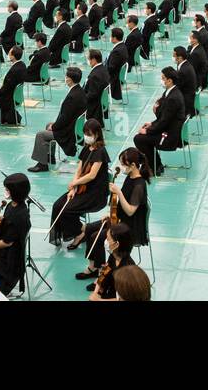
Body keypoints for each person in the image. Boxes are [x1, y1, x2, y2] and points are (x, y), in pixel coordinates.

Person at [78, 147, 150, 279]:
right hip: (120, 219)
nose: (121, 167)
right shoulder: (130, 177)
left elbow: (130, 211)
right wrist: (111, 213)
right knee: (89, 229)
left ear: (133, 165)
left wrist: (119, 193)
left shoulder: (139, 185)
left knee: (96, 237)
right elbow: (121, 204)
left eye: (123, 164)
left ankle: (101, 271)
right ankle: (93, 267)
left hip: (130, 227)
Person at [49, 118, 110, 245]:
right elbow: (79, 170)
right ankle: (82, 230)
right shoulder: (86, 148)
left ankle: (80, 233)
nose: (86, 137)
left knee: (67, 210)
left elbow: (91, 175)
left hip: (95, 193)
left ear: (97, 134)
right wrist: (73, 188)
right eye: (85, 134)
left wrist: (75, 184)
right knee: (58, 205)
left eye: (89, 134)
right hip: (82, 188)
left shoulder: (101, 151)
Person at [0, 172, 33, 296]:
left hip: (7, 259)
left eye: (7, 189)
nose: (6, 191)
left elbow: (7, 242)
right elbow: (0, 230)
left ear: (16, 191)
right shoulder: (11, 205)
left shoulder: (19, 216)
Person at [29, 65, 86, 173]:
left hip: (68, 132)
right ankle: (50, 157)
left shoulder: (72, 97)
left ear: (70, 79)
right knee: (48, 125)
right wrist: (53, 125)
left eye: (66, 76)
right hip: (73, 126)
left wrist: (54, 127)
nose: (65, 78)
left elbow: (65, 118)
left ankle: (42, 164)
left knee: (41, 135)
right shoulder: (80, 91)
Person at [133, 66, 186, 176]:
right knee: (142, 136)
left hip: (169, 136)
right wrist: (151, 124)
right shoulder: (169, 92)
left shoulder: (173, 98)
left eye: (163, 78)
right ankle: (157, 164)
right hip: (167, 129)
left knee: (139, 139)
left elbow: (164, 122)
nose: (161, 80)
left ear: (169, 81)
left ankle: (154, 166)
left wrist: (148, 131)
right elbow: (163, 116)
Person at [88, 222, 137, 300]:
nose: (105, 241)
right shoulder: (113, 256)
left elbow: (122, 299)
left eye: (108, 239)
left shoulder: (127, 269)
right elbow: (103, 274)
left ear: (116, 244)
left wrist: (99, 300)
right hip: (109, 293)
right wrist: (95, 292)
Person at [0, 43, 27, 125]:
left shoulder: (14, 71)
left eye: (9, 53)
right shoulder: (22, 65)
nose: (8, 55)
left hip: (7, 98)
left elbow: (6, 89)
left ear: (13, 56)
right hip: (14, 95)